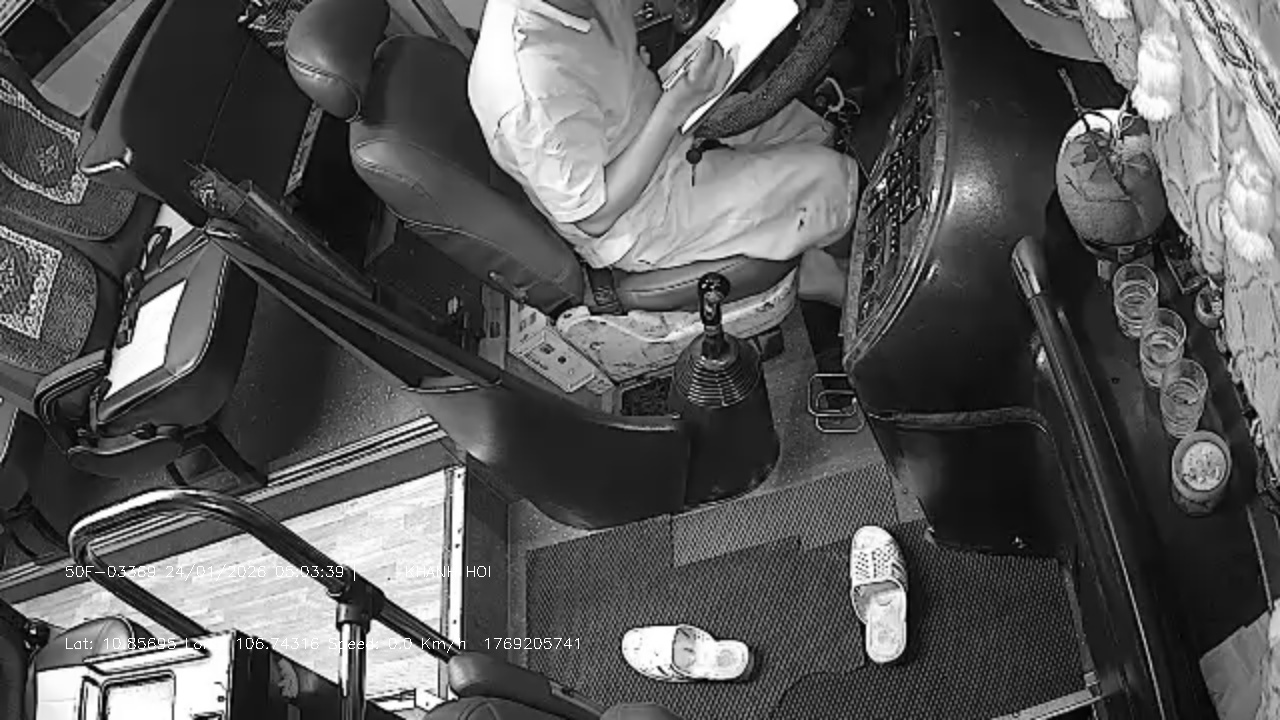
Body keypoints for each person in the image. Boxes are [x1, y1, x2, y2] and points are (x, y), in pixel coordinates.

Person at [468, 0, 858, 307]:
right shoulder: (529, 90)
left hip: (662, 117)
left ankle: (810, 261)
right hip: (639, 210)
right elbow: (596, 216)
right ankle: (845, 283)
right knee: (831, 179)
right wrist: (674, 107)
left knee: (815, 131)